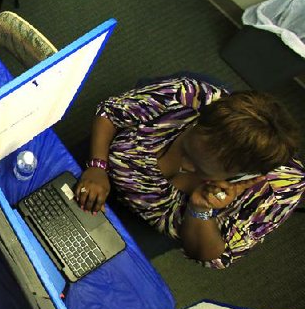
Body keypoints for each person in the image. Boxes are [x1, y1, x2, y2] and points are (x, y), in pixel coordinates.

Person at [74, 76, 304, 269]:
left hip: (148, 225)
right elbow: (110, 112)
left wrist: (201, 210)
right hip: (99, 171)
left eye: (199, 168)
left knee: (85, 264)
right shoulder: (187, 96)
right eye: (186, 150)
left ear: (244, 173)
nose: (185, 166)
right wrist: (97, 165)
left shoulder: (279, 190)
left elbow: (211, 255)